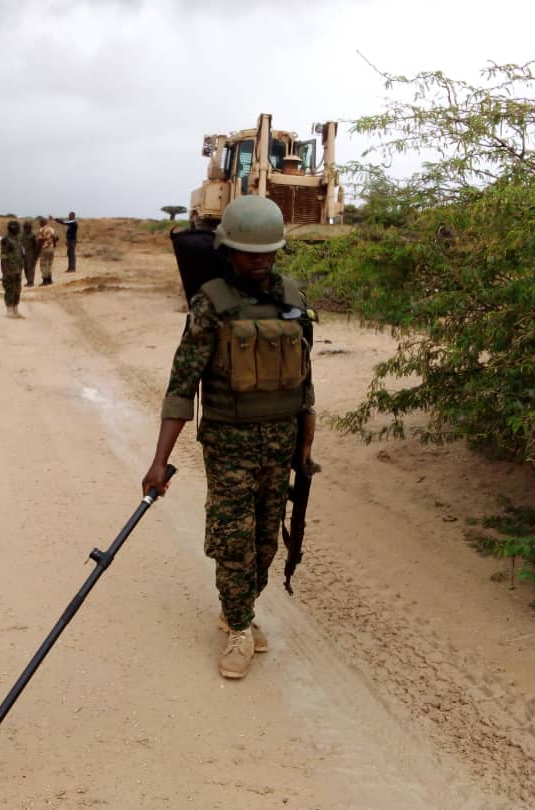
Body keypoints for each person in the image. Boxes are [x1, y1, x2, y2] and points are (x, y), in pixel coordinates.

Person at [141, 196, 317, 680]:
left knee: (265, 543)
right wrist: (158, 461)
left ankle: (236, 608)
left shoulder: (293, 300)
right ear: (228, 250)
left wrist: (304, 448)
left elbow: (305, 380)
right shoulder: (211, 304)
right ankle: (239, 626)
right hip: (229, 448)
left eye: (268, 253)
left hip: (279, 447)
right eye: (248, 253)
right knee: (234, 541)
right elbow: (181, 387)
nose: (260, 261)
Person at [0, 219, 26, 318]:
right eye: (17, 229)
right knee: (10, 289)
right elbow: (4, 256)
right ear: (12, 230)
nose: (18, 230)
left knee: (17, 289)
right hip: (9, 269)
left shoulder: (17, 239)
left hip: (18, 269)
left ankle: (15, 309)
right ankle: (9, 310)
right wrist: (6, 271)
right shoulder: (6, 240)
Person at [36, 216, 57, 286]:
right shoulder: (51, 229)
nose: (39, 224)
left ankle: (45, 280)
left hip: (44, 249)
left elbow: (40, 241)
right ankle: (50, 279)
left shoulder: (41, 230)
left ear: (42, 223)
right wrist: (54, 245)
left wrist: (37, 250)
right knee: (49, 264)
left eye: (40, 223)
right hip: (51, 248)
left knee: (43, 265)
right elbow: (54, 238)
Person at [22, 220, 38, 287]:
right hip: (24, 253)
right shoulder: (23, 235)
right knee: (25, 268)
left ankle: (31, 282)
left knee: (30, 268)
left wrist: (36, 256)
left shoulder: (33, 235)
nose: (26, 229)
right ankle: (28, 281)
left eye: (27, 227)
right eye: (25, 227)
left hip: (31, 253)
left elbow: (36, 245)